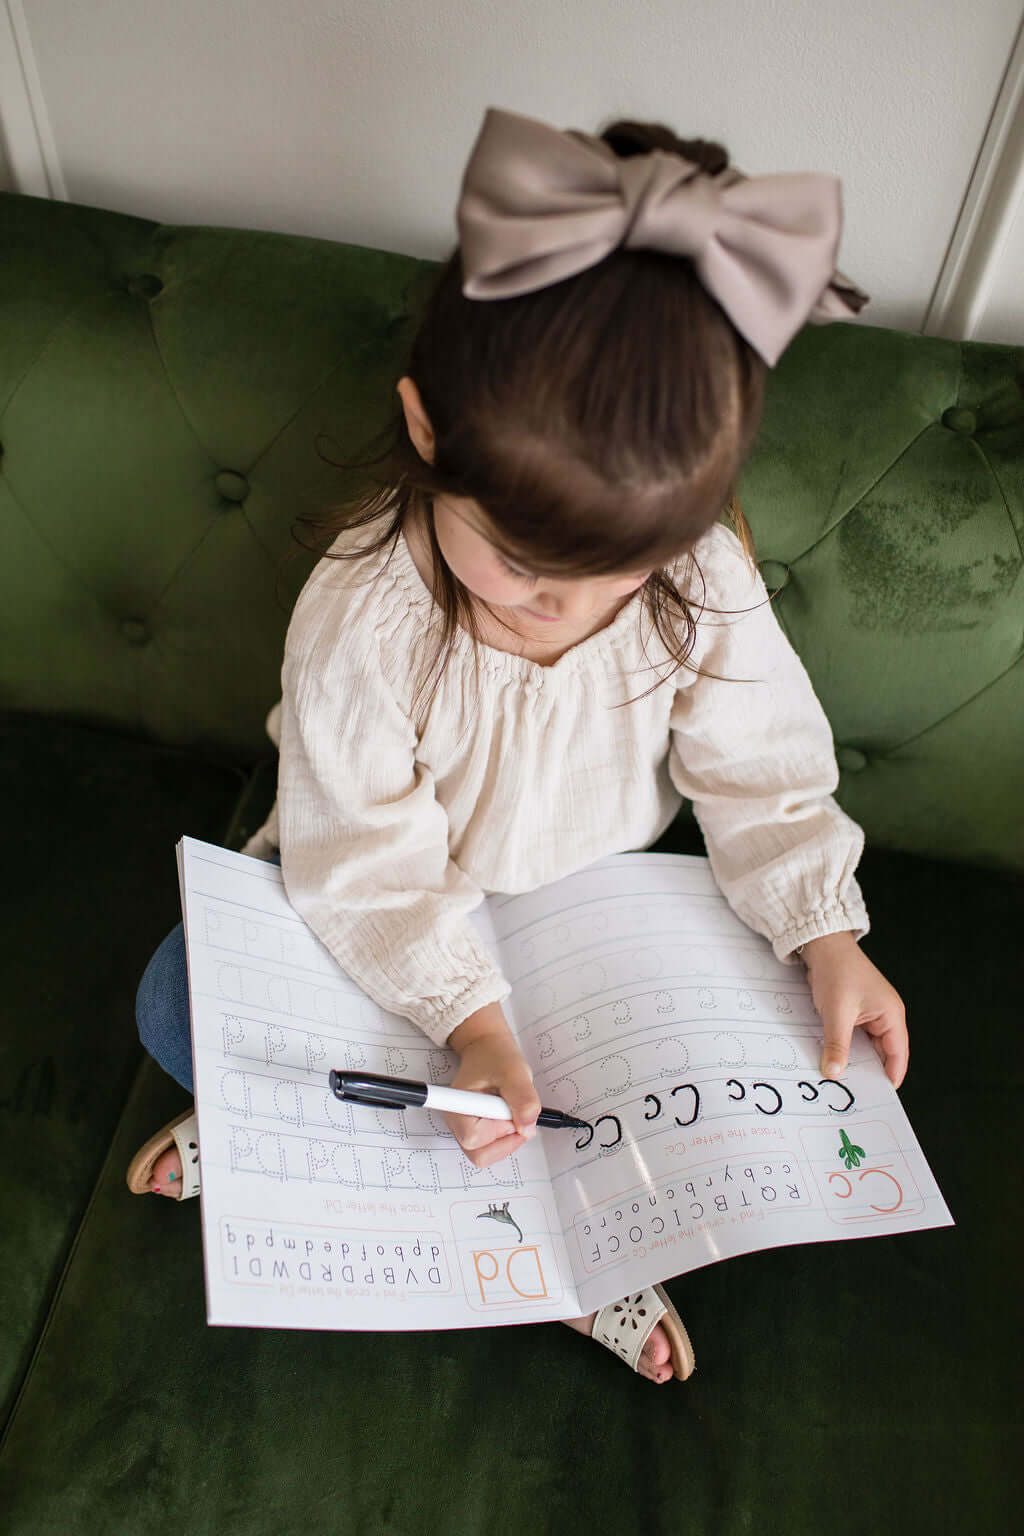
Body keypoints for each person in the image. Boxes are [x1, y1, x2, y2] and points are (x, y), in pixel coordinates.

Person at [127, 106, 909, 1385]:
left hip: (590, 902)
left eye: (616, 574)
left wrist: (829, 937)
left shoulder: (698, 577)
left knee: (695, 1058)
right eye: (520, 562)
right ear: (428, 430)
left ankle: (578, 1249)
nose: (562, 607)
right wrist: (466, 1019)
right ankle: (283, 1127)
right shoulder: (365, 608)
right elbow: (363, 856)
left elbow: (762, 770)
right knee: (176, 995)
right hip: (382, 899)